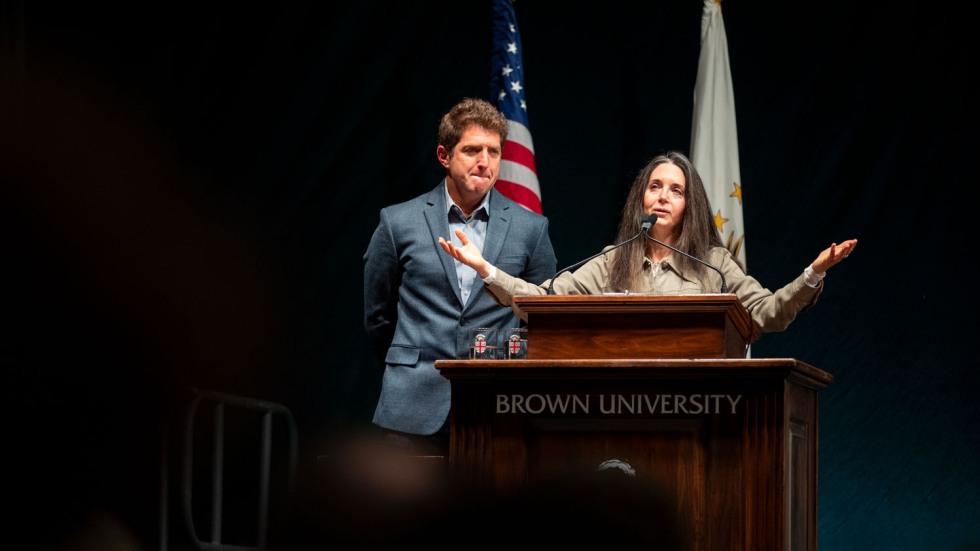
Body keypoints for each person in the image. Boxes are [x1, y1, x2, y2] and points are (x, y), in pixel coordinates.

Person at [439, 150, 857, 341]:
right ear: (641, 197)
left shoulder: (713, 265)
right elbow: (544, 300)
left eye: (675, 190)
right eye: (655, 186)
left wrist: (813, 274)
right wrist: (485, 269)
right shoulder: (612, 260)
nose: (662, 196)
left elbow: (766, 314)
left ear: (689, 204)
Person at [363, 97, 557, 455]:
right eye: (472, 150)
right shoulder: (397, 222)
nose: (484, 162)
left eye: (494, 152)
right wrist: (410, 360)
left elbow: (544, 316)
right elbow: (378, 316)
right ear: (444, 156)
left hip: (498, 409)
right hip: (411, 408)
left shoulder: (531, 228)